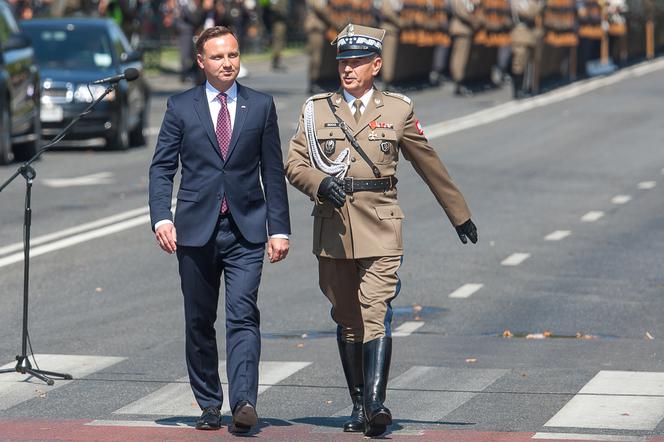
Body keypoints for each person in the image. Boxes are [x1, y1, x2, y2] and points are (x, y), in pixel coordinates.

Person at [285, 23, 477, 437]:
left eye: (356, 62)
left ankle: (376, 404)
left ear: (376, 65)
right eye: (342, 62)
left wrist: (458, 214)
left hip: (381, 223)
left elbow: (430, 164)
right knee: (348, 317)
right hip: (333, 227)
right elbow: (295, 163)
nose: (347, 69)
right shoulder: (317, 109)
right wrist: (319, 183)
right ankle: (357, 403)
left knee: (375, 313)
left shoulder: (397, 110)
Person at [148, 26, 290, 433]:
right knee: (198, 320)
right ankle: (210, 403)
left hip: (246, 229)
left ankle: (244, 402)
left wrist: (279, 227)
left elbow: (272, 170)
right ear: (201, 62)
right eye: (218, 57)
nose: (227, 63)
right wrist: (162, 217)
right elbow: (162, 168)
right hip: (194, 231)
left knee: (243, 316)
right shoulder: (180, 107)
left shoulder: (260, 106)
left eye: (233, 55)